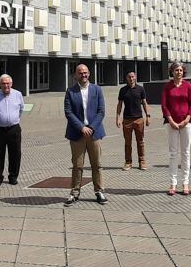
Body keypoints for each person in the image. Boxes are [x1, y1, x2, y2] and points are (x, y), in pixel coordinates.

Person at [63, 64, 107, 206]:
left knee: (97, 164)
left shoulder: (97, 89)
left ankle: (99, 191)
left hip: (94, 133)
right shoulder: (70, 91)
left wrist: (91, 127)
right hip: (77, 133)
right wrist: (81, 127)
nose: (83, 75)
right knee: (77, 165)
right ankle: (74, 193)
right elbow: (68, 112)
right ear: (75, 75)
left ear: (89, 74)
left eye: (86, 73)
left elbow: (101, 111)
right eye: (80, 73)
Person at [161, 61, 191, 196]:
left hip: (186, 124)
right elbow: (164, 105)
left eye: (181, 70)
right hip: (171, 124)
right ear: (172, 72)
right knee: (172, 153)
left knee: (186, 153)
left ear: (183, 72)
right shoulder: (167, 87)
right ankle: (173, 183)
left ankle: (185, 183)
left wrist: (187, 119)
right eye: (176, 70)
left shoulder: (188, 86)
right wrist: (170, 120)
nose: (178, 72)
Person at [0, 74, 24, 186]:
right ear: (0, 84)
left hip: (14, 129)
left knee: (15, 153)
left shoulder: (18, 94)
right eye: (3, 83)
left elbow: (21, 109)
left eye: (8, 83)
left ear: (11, 84)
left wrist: (12, 119)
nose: (6, 85)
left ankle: (13, 176)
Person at [116, 71, 150, 170]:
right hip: (127, 120)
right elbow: (119, 104)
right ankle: (128, 162)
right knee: (127, 142)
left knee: (140, 142)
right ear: (127, 78)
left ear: (135, 77)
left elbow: (144, 103)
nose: (131, 79)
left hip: (139, 119)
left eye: (133, 77)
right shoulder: (123, 90)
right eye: (129, 77)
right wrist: (118, 117)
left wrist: (148, 116)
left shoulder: (140, 89)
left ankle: (142, 161)